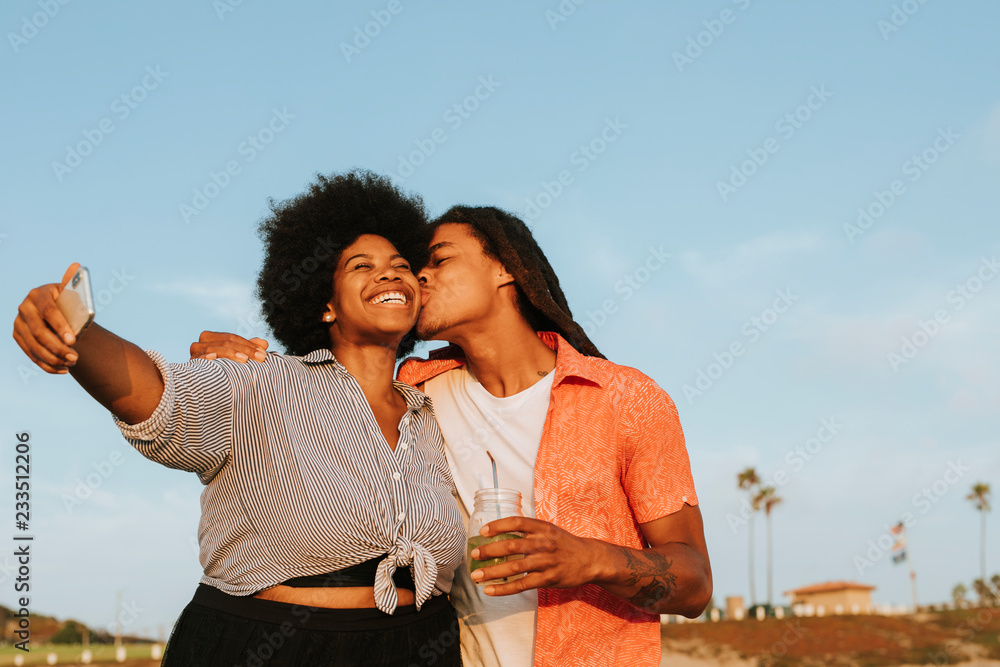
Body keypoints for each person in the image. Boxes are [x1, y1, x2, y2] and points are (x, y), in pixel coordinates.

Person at [193, 204, 713, 666]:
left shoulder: (625, 397)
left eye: (438, 261)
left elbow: (693, 584)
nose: (417, 279)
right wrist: (242, 359)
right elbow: (318, 393)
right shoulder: (413, 394)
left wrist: (588, 559)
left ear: (507, 267)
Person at [12, 171, 465, 666]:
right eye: (362, 265)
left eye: (401, 265)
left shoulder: (431, 412)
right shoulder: (260, 380)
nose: (389, 274)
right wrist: (72, 326)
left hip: (419, 644)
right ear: (326, 304)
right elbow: (160, 397)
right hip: (273, 647)